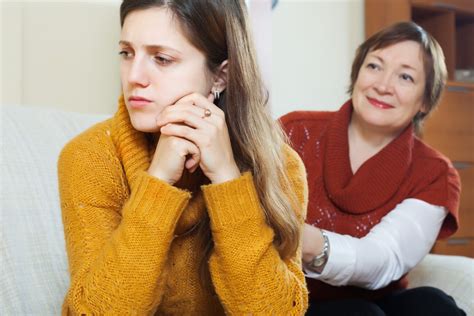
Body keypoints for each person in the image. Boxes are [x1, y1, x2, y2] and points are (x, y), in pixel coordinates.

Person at [58, 0, 309, 314]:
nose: (134, 76)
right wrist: (158, 181)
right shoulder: (89, 156)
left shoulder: (280, 165)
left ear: (221, 76)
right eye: (127, 53)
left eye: (161, 59)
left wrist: (227, 180)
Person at [280, 22, 465, 315]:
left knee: (434, 305)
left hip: (373, 298)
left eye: (405, 77)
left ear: (425, 101)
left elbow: (383, 259)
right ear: (357, 73)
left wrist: (308, 242)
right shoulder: (294, 131)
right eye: (375, 66)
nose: (382, 85)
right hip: (283, 296)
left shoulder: (435, 174)